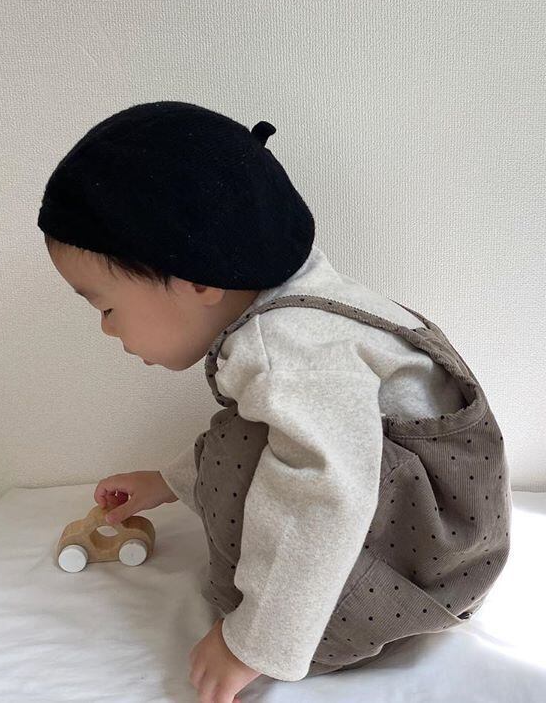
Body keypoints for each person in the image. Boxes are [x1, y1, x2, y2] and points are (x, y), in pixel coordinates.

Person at [36, 101, 511, 701]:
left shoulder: (288, 349)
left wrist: (252, 642)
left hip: (427, 571)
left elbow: (322, 495)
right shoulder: (299, 300)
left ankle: (309, 624)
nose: (107, 330)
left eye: (107, 308)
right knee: (253, 432)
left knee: (256, 451)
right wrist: (170, 482)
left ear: (197, 278)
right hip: (437, 529)